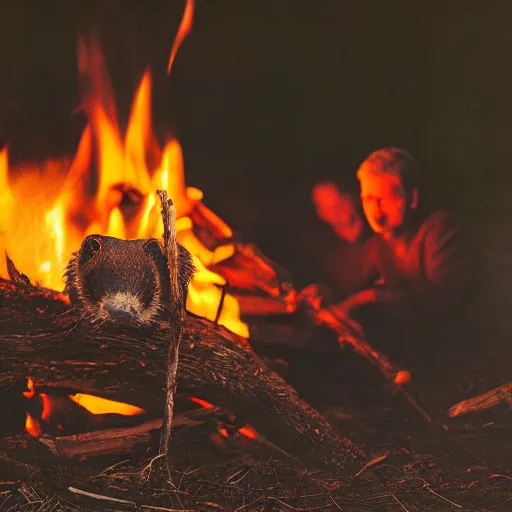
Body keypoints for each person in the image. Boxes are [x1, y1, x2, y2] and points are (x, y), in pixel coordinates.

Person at [315, 147, 481, 357]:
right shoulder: (380, 243)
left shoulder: (441, 230)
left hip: (466, 355)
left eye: (383, 200)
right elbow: (351, 284)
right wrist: (325, 291)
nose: (375, 214)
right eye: (368, 199)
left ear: (411, 199)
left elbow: (444, 303)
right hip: (425, 356)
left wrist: (373, 296)